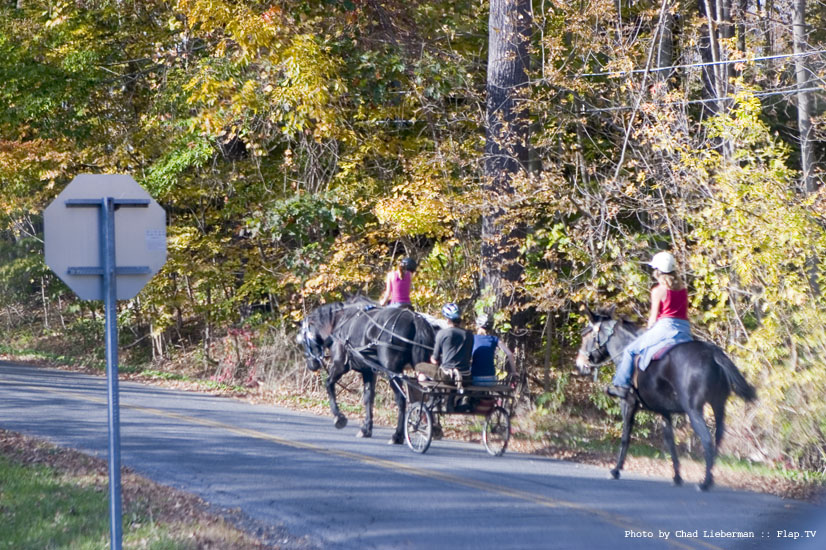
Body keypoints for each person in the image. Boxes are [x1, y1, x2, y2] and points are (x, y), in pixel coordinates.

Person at [606, 251, 693, 399]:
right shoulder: (683, 289)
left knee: (630, 351)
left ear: (658, 272)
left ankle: (621, 386)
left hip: (665, 327)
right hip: (684, 329)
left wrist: (648, 330)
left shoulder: (658, 291)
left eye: (655, 270)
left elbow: (653, 319)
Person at [416, 302, 473, 387]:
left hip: (447, 376)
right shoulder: (469, 334)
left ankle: (430, 395)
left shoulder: (442, 333)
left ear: (447, 319)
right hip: (466, 377)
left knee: (419, 366)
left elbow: (434, 360)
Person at [471, 314, 515, 386]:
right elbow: (509, 354)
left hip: (476, 378)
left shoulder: (472, 338)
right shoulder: (494, 339)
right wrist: (514, 372)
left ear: (478, 325)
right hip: (491, 378)